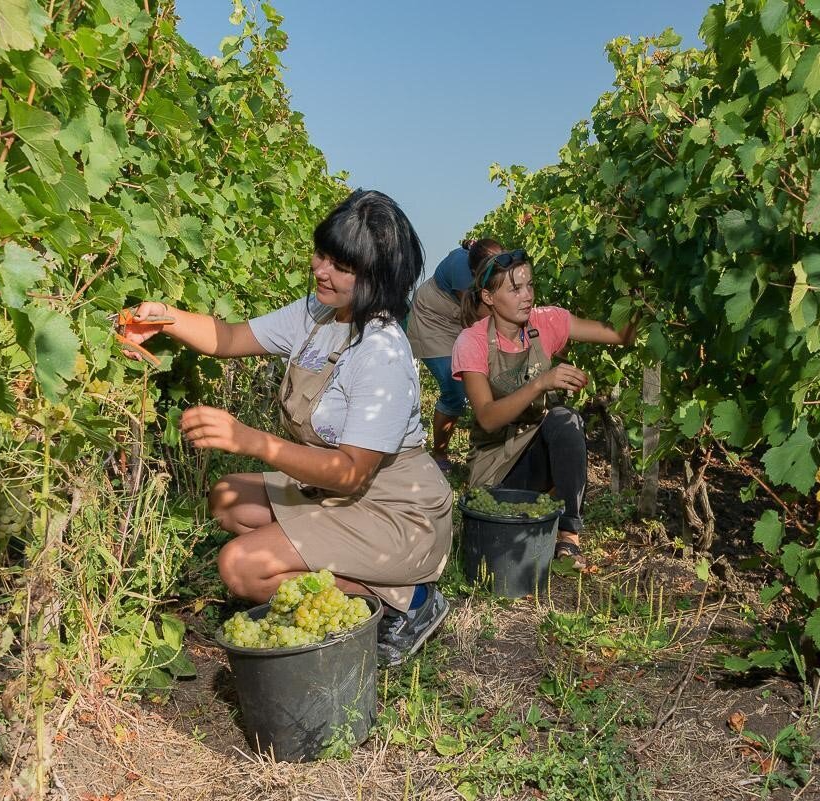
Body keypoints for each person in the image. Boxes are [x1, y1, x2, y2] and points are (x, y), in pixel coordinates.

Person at [120, 189, 452, 666]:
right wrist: (166, 318)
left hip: (395, 511)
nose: (321, 270)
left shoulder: (382, 352)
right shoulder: (317, 315)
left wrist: (251, 441)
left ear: (377, 277)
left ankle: (408, 602)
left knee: (241, 567)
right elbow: (231, 337)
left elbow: (351, 473)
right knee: (228, 498)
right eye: (322, 254)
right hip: (340, 493)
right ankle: (357, 575)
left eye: (342, 265)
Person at [452, 249, 636, 569]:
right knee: (555, 420)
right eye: (514, 289)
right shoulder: (472, 341)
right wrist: (540, 383)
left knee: (565, 419)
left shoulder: (547, 321)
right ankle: (533, 509)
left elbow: (621, 334)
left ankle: (569, 537)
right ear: (489, 297)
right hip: (497, 467)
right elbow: (487, 417)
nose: (527, 297)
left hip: (535, 452)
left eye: (530, 286)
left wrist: (640, 294)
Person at [405, 238, 504, 473]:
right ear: (474, 271)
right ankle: (439, 454)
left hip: (459, 317)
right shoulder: (463, 275)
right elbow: (476, 316)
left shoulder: (498, 263)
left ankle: (484, 452)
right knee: (454, 389)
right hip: (432, 320)